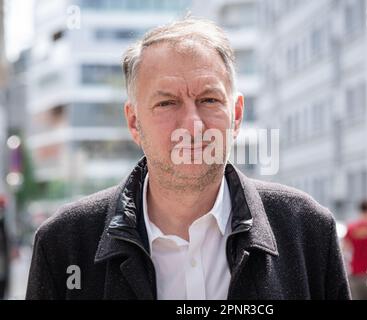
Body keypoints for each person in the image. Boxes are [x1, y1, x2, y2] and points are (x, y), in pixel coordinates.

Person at [26, 18, 350, 300]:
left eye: (209, 99)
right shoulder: (63, 244)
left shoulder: (308, 232)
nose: (193, 126)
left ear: (236, 116)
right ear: (134, 122)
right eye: (167, 103)